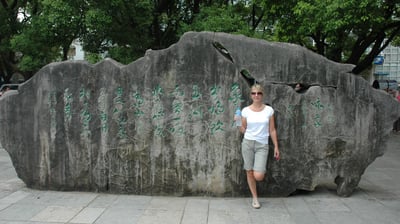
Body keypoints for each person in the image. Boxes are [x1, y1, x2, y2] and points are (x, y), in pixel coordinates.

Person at [236, 84, 280, 209]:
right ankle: (255, 198)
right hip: (248, 143)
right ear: (250, 95)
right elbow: (243, 130)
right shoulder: (245, 111)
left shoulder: (268, 110)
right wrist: (237, 122)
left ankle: (256, 190)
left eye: (259, 93)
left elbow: (272, 130)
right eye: (253, 93)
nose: (256, 95)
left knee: (258, 176)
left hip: (262, 145)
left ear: (262, 95)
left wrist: (276, 147)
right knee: (249, 171)